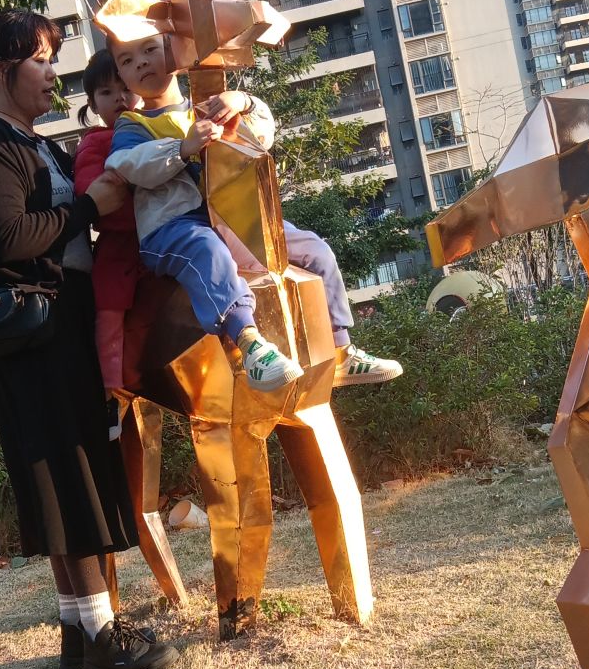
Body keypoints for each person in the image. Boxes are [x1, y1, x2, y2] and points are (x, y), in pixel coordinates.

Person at [0, 10, 180, 669]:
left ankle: (80, 631)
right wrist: (89, 206)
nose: (54, 73)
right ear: (4, 70)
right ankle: (105, 636)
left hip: (64, 320)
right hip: (37, 332)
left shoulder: (35, 142)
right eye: (42, 60)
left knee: (69, 474)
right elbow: (8, 238)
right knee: (66, 474)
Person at [102, 19, 403, 392]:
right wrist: (182, 148)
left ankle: (340, 350)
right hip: (172, 228)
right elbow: (126, 165)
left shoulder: (207, 104)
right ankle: (250, 343)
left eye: (150, 50)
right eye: (127, 60)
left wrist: (242, 101)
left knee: (311, 247)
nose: (142, 63)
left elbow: (260, 136)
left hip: (229, 217)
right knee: (206, 251)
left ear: (175, 50)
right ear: (120, 74)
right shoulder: (131, 125)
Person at [75, 49, 142, 439]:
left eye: (125, 87)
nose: (119, 97)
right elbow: (89, 189)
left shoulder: (160, 125)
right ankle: (110, 394)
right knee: (108, 312)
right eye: (106, 92)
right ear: (92, 104)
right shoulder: (96, 142)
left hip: (169, 234)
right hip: (121, 245)